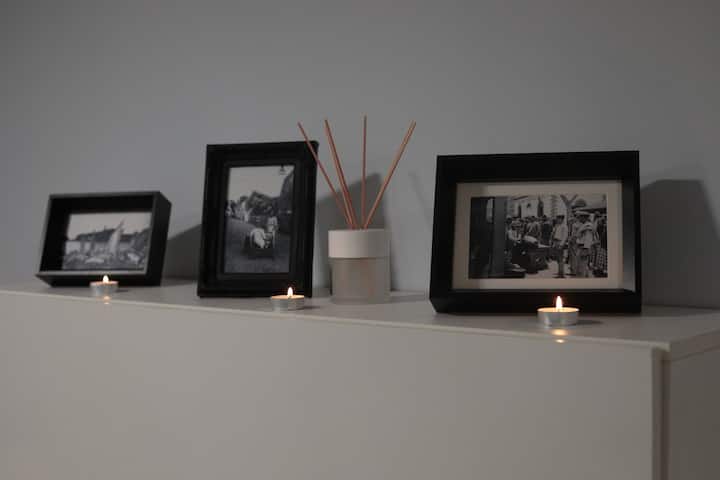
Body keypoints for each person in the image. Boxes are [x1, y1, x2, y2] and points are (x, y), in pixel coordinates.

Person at [574, 211, 596, 277]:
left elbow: (588, 239)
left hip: (583, 248)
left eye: (580, 217)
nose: (579, 219)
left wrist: (585, 249)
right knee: (583, 266)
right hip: (581, 247)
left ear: (584, 218)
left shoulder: (588, 226)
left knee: (581, 267)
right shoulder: (584, 225)